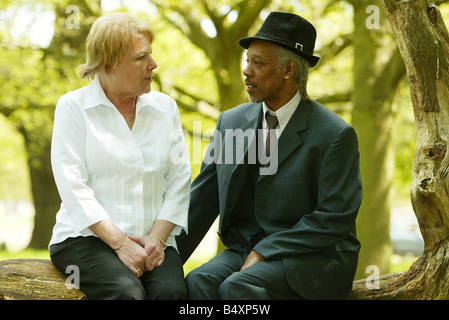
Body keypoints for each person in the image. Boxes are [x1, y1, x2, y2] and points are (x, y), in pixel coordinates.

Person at [176, 12, 362, 300]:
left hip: (315, 257)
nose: (246, 71)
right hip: (244, 248)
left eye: (257, 63)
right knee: (200, 281)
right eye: (246, 60)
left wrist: (265, 251)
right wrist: (161, 258)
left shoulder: (335, 134)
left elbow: (334, 218)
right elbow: (202, 199)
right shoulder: (231, 122)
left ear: (288, 69)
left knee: (237, 288)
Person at [49, 13, 191, 300]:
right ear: (108, 63)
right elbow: (73, 186)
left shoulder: (165, 108)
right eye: (140, 58)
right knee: (128, 294)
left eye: (151, 55)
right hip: (85, 240)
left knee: (171, 293)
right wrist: (121, 243)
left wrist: (157, 239)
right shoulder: (73, 107)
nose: (153, 64)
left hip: (154, 241)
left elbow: (179, 179)